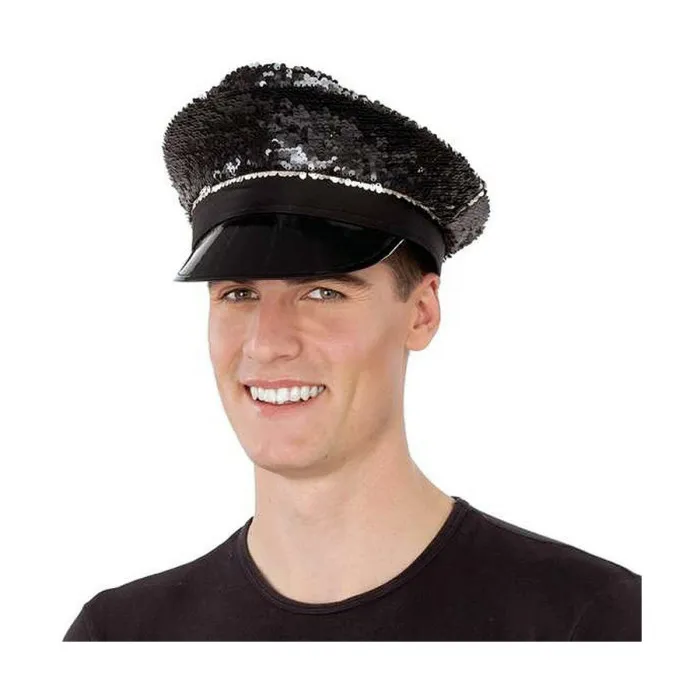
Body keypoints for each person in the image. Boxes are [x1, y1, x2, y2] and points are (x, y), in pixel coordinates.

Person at [63, 62, 641, 641]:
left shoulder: (588, 622)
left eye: (322, 292)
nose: (267, 342)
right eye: (239, 293)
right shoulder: (119, 639)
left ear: (421, 312)